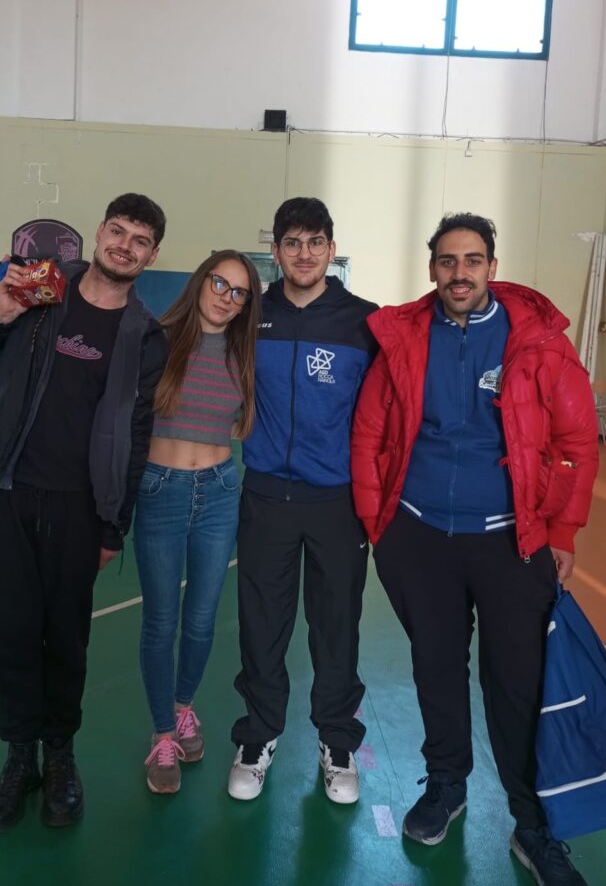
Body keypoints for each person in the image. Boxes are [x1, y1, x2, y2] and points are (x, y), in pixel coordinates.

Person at [351, 213, 599, 885]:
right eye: (446, 260)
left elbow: (578, 443)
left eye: (471, 260)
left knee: (516, 686)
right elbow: (370, 430)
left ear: (492, 266)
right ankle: (445, 784)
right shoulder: (405, 338)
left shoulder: (538, 343)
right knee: (435, 669)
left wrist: (561, 533)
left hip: (511, 543)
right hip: (419, 537)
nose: (458, 273)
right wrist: (379, 524)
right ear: (432, 267)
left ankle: (532, 823)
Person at [0, 193, 169, 833]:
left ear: (153, 256)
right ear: (98, 233)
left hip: (79, 509)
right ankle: (20, 759)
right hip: (9, 491)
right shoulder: (39, 289)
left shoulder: (145, 335)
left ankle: (60, 756)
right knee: (11, 632)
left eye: (140, 240)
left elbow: (137, 435)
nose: (124, 245)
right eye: (117, 230)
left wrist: (113, 524)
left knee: (66, 639)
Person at [227, 197, 378, 805]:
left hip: (337, 502)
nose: (305, 253)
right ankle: (258, 736)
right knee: (262, 624)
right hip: (266, 495)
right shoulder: (250, 315)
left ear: (332, 250)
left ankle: (337, 743)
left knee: (336, 625)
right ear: (276, 251)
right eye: (292, 242)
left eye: (316, 242)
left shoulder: (364, 323)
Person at [133, 250, 261, 794]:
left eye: (239, 292)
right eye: (219, 283)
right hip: (159, 490)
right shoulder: (156, 340)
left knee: (202, 620)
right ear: (200, 281)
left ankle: (184, 707)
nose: (226, 297)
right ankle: (163, 733)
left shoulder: (244, 353)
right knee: (161, 621)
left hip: (220, 492)